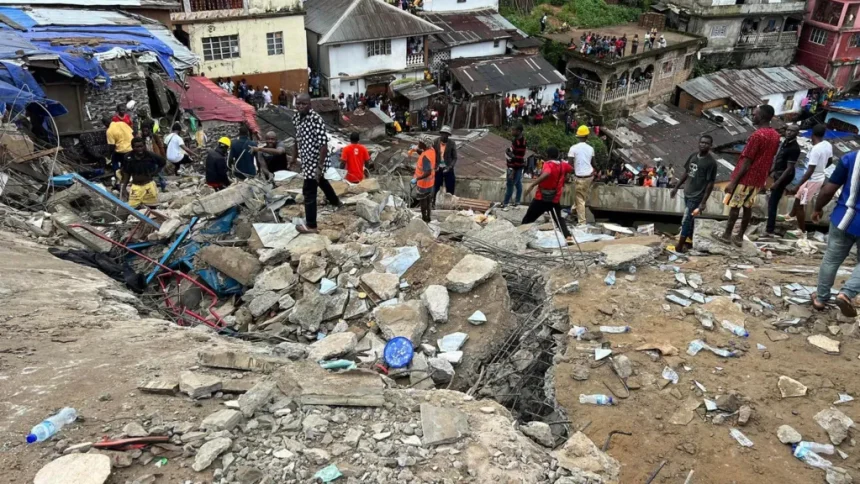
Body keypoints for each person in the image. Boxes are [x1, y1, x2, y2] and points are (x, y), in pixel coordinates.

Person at [716, 104, 780, 246]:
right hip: (758, 179)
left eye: (755, 114)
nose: (753, 116)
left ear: (762, 117)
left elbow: (747, 161)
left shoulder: (757, 136)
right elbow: (771, 158)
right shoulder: (775, 135)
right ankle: (739, 236)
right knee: (747, 207)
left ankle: (727, 235)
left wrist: (733, 182)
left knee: (735, 206)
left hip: (746, 177)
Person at [809, 149, 860, 317]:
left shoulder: (851, 158)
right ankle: (846, 294)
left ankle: (821, 299)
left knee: (831, 259)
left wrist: (817, 208)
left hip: (843, 218)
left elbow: (828, 190)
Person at [294, 93, 341, 234]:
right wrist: (294, 157)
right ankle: (335, 202)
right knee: (321, 181)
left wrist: (319, 167)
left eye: (303, 104)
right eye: (298, 103)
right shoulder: (296, 117)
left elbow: (323, 145)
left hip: (315, 160)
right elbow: (297, 138)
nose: (300, 106)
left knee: (309, 191)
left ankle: (311, 226)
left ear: (310, 104)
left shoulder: (316, 119)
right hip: (305, 158)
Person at [671, 135, 717, 252]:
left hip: (697, 196)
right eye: (702, 142)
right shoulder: (693, 156)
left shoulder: (711, 163)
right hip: (687, 193)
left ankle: (680, 246)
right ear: (698, 143)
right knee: (690, 220)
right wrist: (676, 187)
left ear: (710, 146)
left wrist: (703, 202)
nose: (703, 145)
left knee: (686, 220)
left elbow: (710, 183)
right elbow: (687, 172)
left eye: (707, 143)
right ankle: (690, 241)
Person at [785, 124, 832, 234]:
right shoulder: (827, 144)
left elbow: (810, 170)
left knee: (800, 204)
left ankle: (802, 231)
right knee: (798, 199)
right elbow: (829, 161)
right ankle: (791, 215)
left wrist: (798, 185)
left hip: (812, 180)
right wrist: (821, 168)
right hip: (817, 177)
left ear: (812, 134)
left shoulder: (815, 150)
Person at [522, 146, 574, 243]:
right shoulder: (563, 165)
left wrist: (533, 185)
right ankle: (567, 236)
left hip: (541, 198)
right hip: (555, 198)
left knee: (528, 218)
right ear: (558, 155)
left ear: (547, 155)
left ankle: (521, 235)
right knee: (559, 219)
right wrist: (565, 176)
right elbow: (572, 169)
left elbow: (547, 173)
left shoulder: (547, 164)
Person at [765, 124, 802, 236]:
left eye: (792, 131)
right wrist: (770, 170)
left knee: (773, 201)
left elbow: (789, 168)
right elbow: (778, 159)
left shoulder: (794, 148)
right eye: (788, 130)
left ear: (797, 133)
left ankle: (769, 229)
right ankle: (770, 226)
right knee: (772, 200)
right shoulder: (785, 143)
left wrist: (777, 182)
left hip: (785, 175)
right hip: (779, 172)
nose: (789, 132)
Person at [120, 137, 166, 209]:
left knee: (153, 207)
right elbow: (126, 173)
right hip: (136, 187)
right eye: (137, 147)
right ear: (133, 147)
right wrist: (123, 187)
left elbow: (162, 162)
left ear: (144, 146)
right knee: (132, 208)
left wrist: (154, 173)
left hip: (149, 185)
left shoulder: (150, 155)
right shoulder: (128, 157)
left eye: (141, 146)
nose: (140, 149)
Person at [567, 125, 595, 226]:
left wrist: (568, 174)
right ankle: (573, 211)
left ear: (578, 136)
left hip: (579, 177)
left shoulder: (573, 148)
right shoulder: (591, 148)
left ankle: (582, 222)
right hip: (589, 177)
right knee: (581, 196)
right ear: (587, 136)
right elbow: (593, 163)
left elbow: (569, 164)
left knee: (580, 199)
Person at [410, 135, 437, 222]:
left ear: (424, 144)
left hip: (423, 184)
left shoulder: (426, 157)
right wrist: (416, 149)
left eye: (420, 143)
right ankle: (428, 217)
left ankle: (424, 219)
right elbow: (423, 153)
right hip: (430, 182)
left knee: (423, 202)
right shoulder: (431, 150)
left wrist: (416, 179)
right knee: (429, 201)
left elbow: (428, 172)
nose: (418, 143)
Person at [502, 124, 527, 210]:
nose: (512, 132)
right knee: (518, 184)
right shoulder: (518, 140)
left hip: (514, 166)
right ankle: (517, 202)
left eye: (514, 130)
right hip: (517, 166)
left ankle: (505, 203)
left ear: (519, 131)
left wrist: (512, 169)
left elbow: (518, 158)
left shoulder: (519, 142)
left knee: (510, 184)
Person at [433, 125, 457, 199]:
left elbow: (455, 158)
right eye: (443, 134)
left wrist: (450, 167)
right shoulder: (435, 142)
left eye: (446, 134)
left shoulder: (452, 143)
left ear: (448, 135)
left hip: (448, 167)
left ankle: (450, 202)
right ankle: (435, 201)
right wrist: (435, 166)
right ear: (441, 134)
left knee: (450, 186)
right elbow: (432, 155)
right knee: (436, 186)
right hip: (438, 168)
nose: (444, 136)